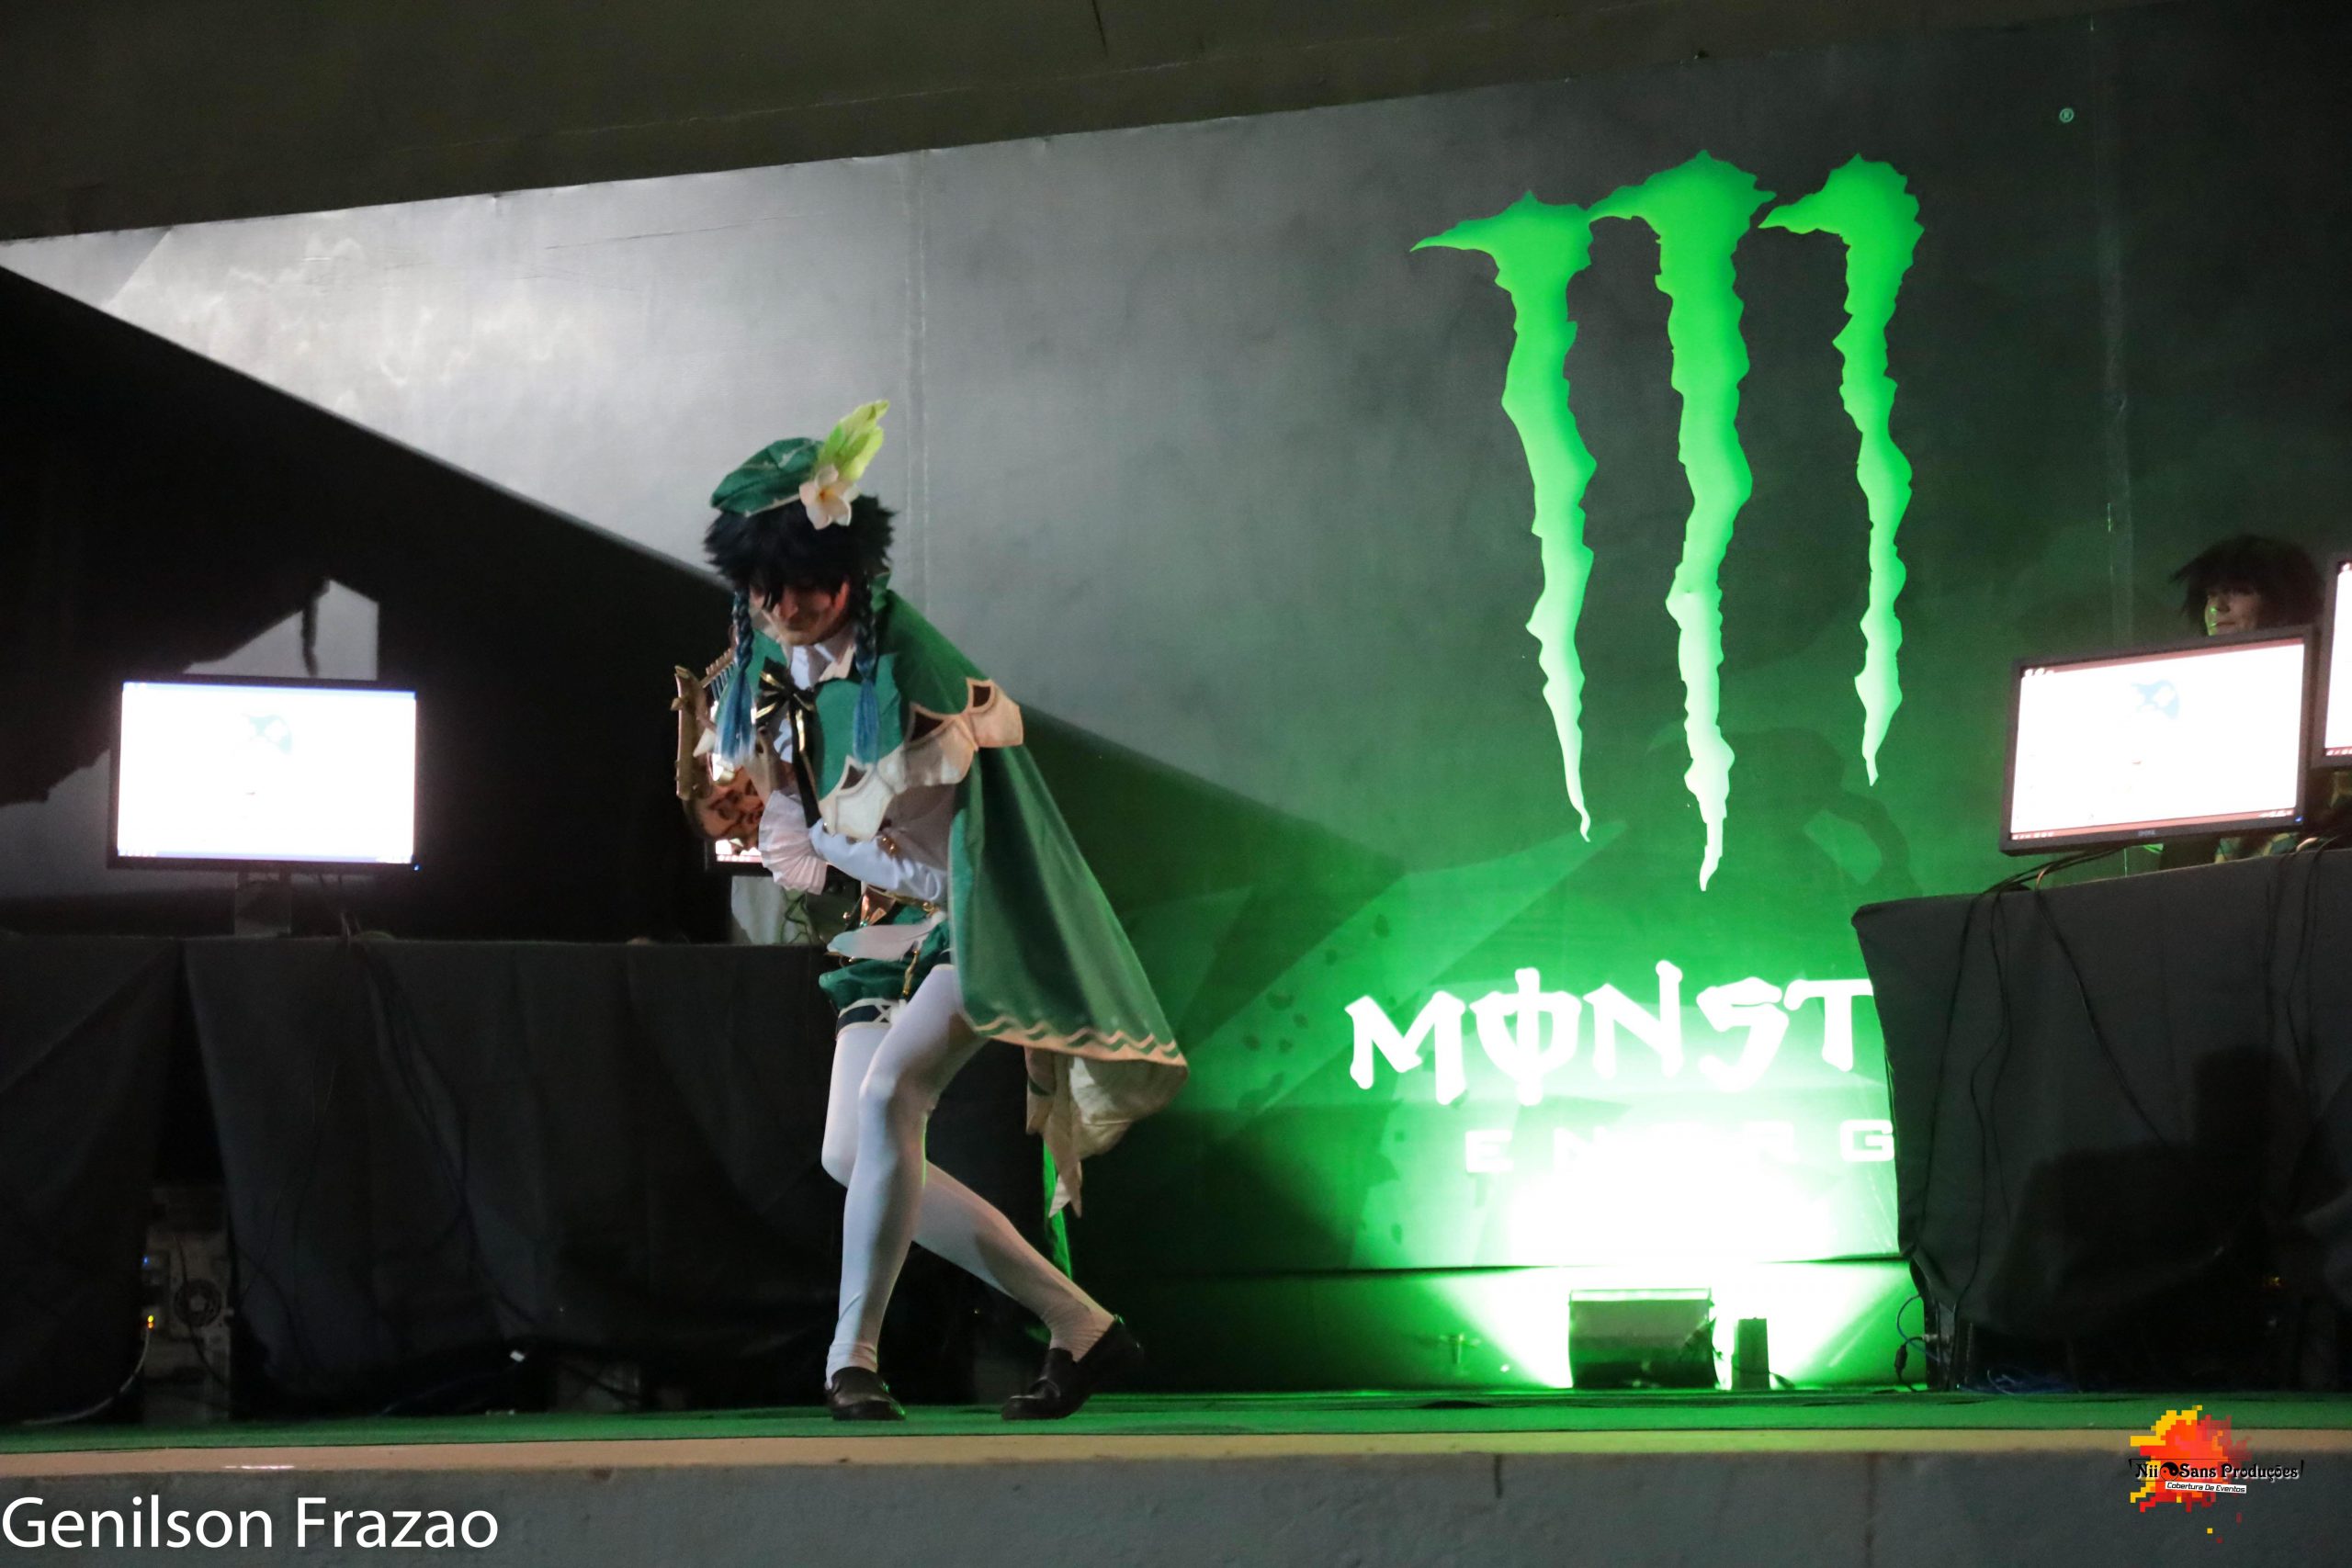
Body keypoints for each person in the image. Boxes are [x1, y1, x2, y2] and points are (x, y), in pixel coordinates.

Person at [693, 401, 1186, 1422]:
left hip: (978, 912)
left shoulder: (909, 663)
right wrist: (779, 819)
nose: (788, 607)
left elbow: (961, 825)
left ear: (847, 571)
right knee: (851, 1150)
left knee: (889, 1101)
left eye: (806, 583)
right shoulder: (762, 661)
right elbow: (792, 822)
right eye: (766, 587)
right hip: (892, 927)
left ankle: (852, 1360)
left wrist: (840, 838)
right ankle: (1085, 1330)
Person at [2158, 534, 2339, 866]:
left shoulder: (2332, 684)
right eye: (2210, 594)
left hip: (2306, 870)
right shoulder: (2190, 693)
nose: (2218, 606)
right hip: (2204, 879)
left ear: (2283, 599)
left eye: (2238, 590)